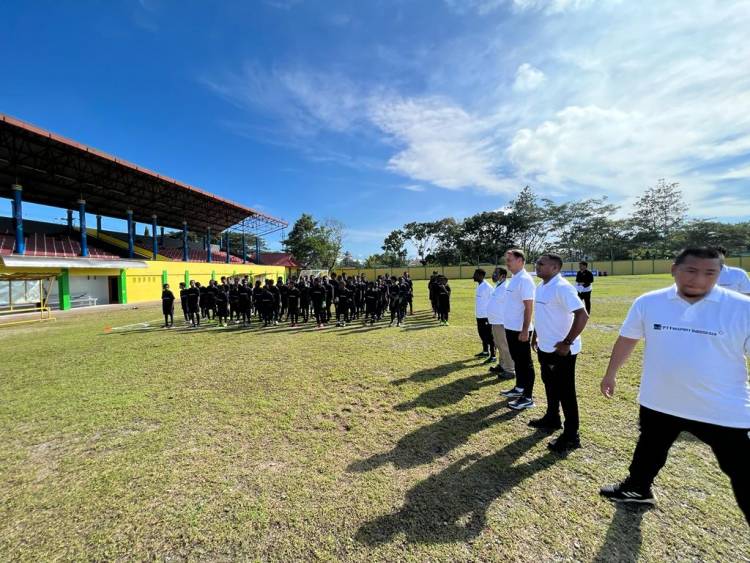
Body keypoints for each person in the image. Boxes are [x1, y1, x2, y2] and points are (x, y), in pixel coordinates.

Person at [599, 247, 749, 523]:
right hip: (660, 400)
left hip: (722, 409)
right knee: (649, 447)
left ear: (720, 274)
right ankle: (637, 488)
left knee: (743, 471)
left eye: (710, 273)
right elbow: (628, 339)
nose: (699, 280)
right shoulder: (649, 302)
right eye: (691, 271)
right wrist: (611, 374)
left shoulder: (742, 307)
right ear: (674, 269)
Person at [530, 254, 589, 452]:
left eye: (541, 264)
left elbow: (582, 315)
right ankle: (552, 418)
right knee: (549, 383)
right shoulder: (542, 286)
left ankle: (572, 435)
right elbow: (542, 314)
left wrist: (567, 342)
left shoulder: (562, 288)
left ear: (555, 268)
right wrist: (535, 334)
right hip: (545, 347)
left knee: (566, 392)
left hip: (562, 351)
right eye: (537, 263)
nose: (536, 266)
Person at [500, 249, 537, 410]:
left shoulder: (525, 280)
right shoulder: (514, 278)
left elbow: (529, 307)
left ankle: (527, 397)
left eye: (510, 260)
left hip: (520, 330)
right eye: (506, 260)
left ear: (520, 261)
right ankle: (519, 387)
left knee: (525, 363)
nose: (507, 263)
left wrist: (524, 330)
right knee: (517, 360)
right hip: (510, 327)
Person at [487, 267, 515, 380]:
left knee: (504, 346)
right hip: (495, 321)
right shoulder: (498, 286)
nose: (493, 275)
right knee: (498, 345)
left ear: (503, 276)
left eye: (496, 273)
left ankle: (509, 369)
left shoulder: (506, 287)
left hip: (501, 322)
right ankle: (502, 365)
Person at [473, 268, 496, 363]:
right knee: (482, 334)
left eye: (475, 274)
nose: (473, 276)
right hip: (479, 316)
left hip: (486, 316)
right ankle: (485, 351)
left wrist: (490, 315)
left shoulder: (487, 287)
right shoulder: (479, 286)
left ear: (481, 275)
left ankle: (493, 355)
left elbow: (493, 301)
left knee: (489, 336)